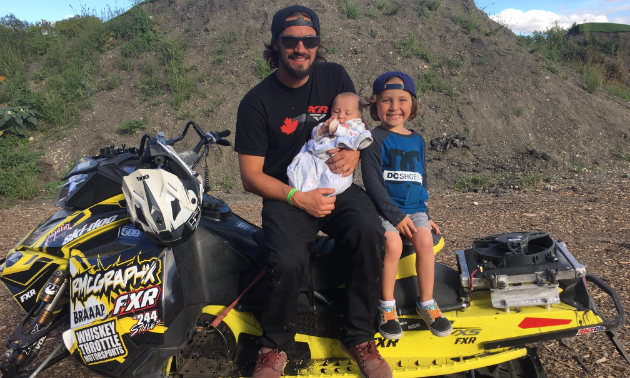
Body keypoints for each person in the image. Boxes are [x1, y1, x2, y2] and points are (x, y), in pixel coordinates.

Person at [234, 6, 391, 378]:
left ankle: (359, 336)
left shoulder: (335, 76)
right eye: (291, 40)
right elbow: (250, 176)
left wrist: (354, 150)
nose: (300, 48)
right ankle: (275, 347)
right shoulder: (256, 103)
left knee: (370, 232)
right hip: (286, 193)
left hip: (335, 184)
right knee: (286, 259)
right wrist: (298, 198)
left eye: (309, 40)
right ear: (276, 44)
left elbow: (358, 124)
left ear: (318, 45)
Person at [361, 71, 453, 340]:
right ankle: (387, 306)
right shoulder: (374, 140)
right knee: (393, 245)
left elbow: (420, 179)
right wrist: (395, 216)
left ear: (412, 105)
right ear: (376, 105)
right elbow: (373, 184)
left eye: (402, 100)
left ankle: (426, 302)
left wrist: (426, 212)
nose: (394, 107)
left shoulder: (418, 140)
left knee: (425, 241)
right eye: (386, 100)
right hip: (385, 211)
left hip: (415, 210)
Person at [287, 92, 373, 196]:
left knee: (330, 177)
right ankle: (303, 185)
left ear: (359, 116)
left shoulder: (357, 126)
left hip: (336, 161)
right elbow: (314, 136)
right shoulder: (329, 122)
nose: (340, 116)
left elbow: (355, 138)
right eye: (336, 111)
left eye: (347, 113)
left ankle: (323, 189)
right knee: (305, 166)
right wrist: (322, 129)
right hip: (318, 153)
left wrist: (338, 130)